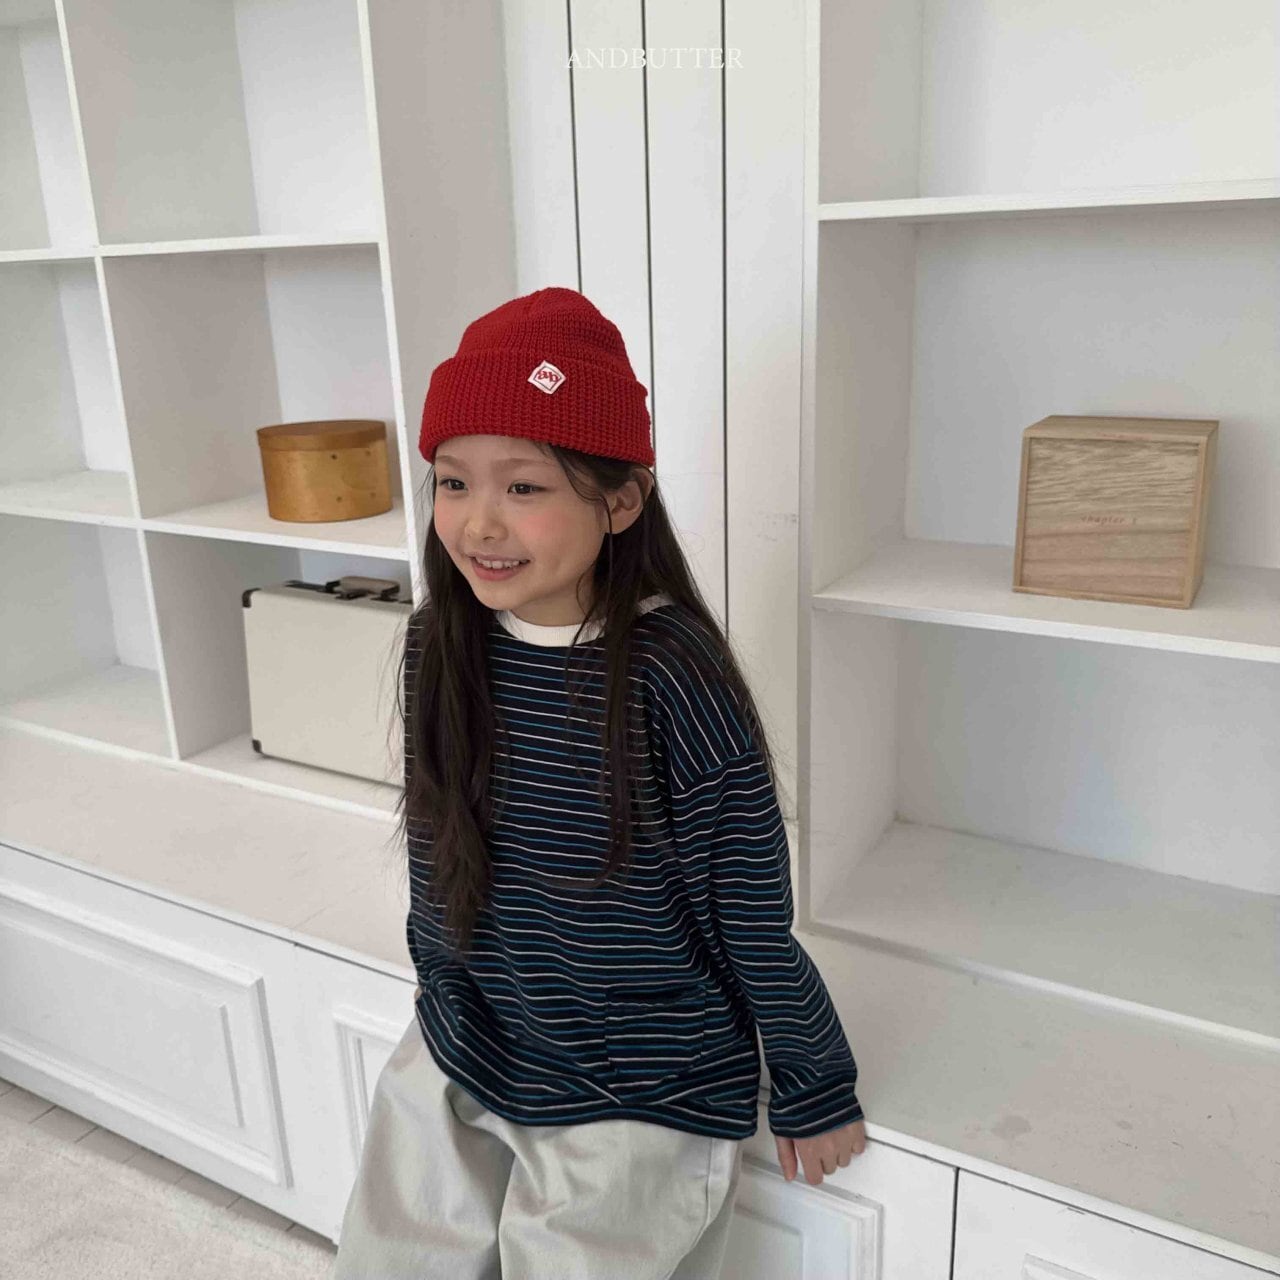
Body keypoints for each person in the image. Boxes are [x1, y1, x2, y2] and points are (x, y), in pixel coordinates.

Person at [332, 287, 867, 1279]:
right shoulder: (438, 643)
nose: (478, 521)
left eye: (524, 486)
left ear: (619, 501)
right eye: (453, 481)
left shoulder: (671, 673)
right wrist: (440, 999)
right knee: (388, 1257)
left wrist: (813, 1079)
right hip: (478, 1027)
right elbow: (436, 859)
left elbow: (747, 907)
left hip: (641, 1066)